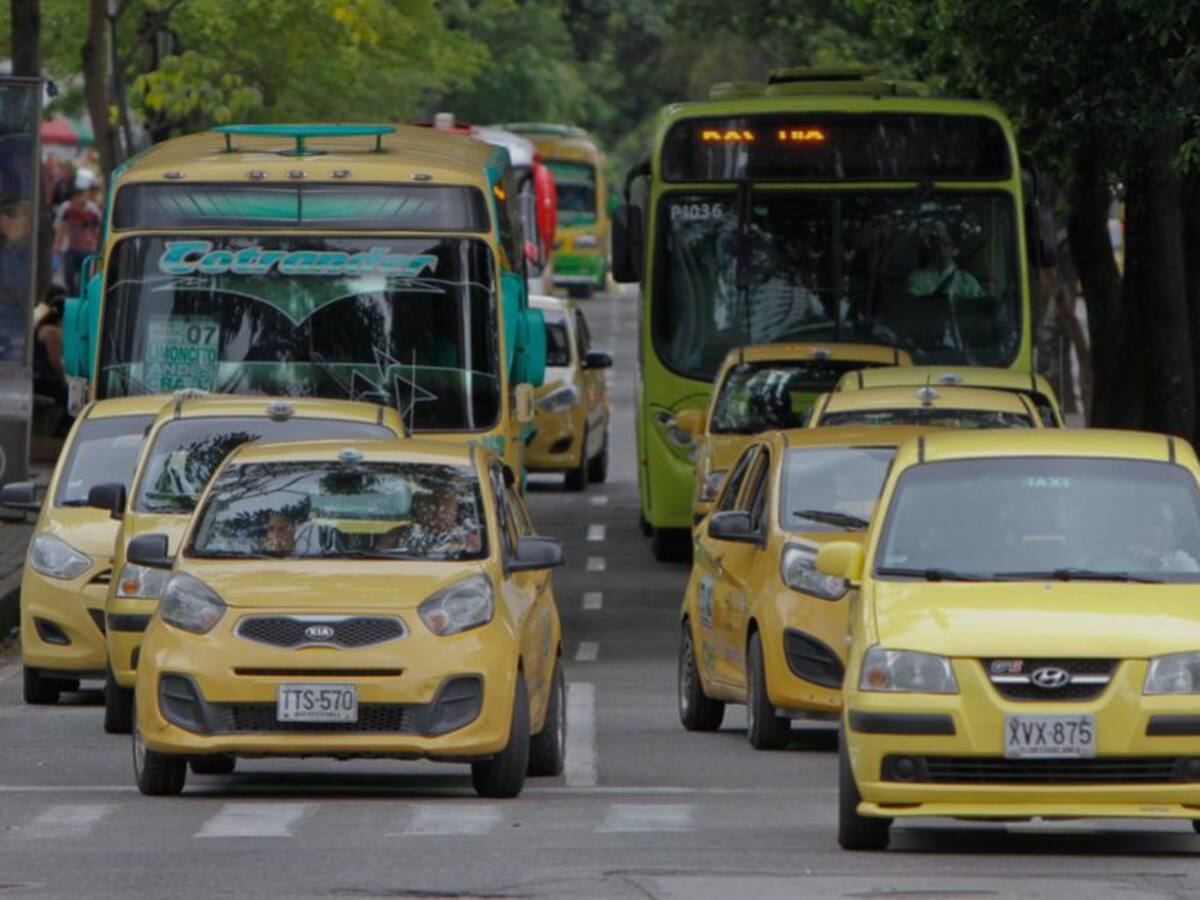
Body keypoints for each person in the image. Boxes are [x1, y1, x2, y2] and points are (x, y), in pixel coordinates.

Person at [377, 484, 481, 557]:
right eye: (433, 502)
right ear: (418, 508)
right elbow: (379, 561)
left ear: (456, 507)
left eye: (446, 501)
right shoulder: (396, 536)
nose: (440, 508)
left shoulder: (471, 541)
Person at [906, 221, 984, 302]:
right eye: (936, 245)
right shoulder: (917, 278)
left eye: (945, 244)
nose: (940, 249)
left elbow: (981, 307)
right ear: (930, 249)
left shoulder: (968, 281)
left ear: (954, 250)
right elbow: (913, 305)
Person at [53, 173, 101, 294]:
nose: (79, 199)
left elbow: (97, 230)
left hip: (87, 249)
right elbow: (61, 228)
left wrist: (97, 247)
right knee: (69, 276)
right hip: (72, 249)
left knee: (84, 278)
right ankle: (72, 295)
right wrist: (57, 244)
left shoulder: (92, 211)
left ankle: (81, 297)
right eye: (76, 196)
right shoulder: (67, 210)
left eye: (82, 195)